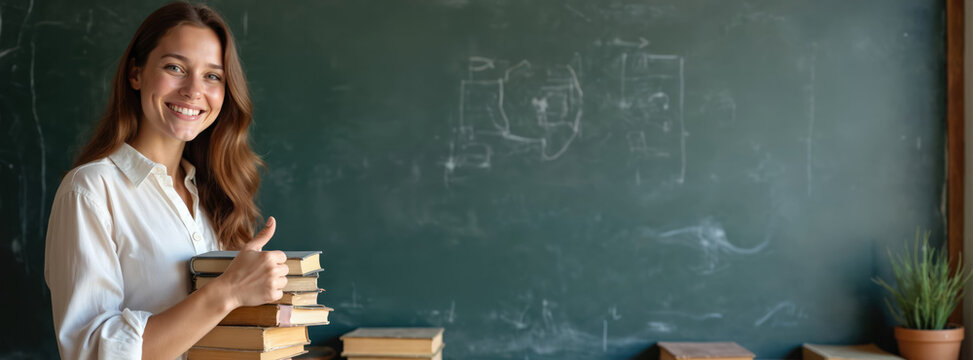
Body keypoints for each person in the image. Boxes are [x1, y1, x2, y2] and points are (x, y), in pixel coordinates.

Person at [44, 2, 288, 359]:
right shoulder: (91, 191)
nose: (193, 90)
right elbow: (93, 352)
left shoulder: (215, 195)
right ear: (136, 74)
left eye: (212, 76)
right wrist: (229, 290)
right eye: (175, 67)